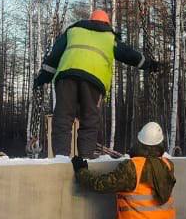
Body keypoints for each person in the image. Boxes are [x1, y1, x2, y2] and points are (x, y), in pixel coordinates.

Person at [33, 9, 161, 157]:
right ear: (106, 23)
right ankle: (85, 160)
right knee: (89, 122)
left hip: (66, 78)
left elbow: (54, 56)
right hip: (94, 82)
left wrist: (43, 77)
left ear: (90, 20)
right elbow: (129, 55)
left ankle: (61, 158)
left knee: (62, 118)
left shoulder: (73, 31)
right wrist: (149, 64)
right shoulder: (109, 37)